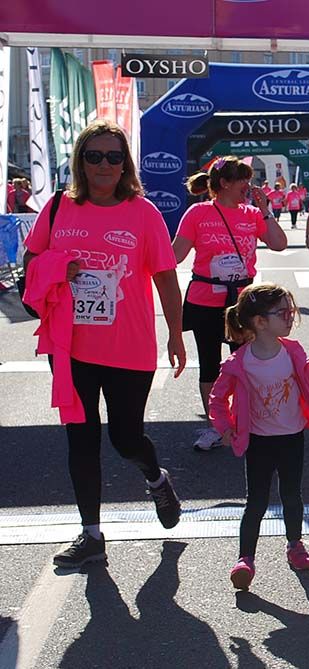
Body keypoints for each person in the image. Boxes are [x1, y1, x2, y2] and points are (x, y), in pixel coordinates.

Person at [22, 119, 185, 568]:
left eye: (114, 156)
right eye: (94, 156)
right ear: (80, 162)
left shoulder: (143, 213)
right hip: (70, 345)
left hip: (128, 347)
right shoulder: (58, 208)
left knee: (126, 438)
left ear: (125, 163)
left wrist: (175, 331)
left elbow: (166, 277)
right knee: (80, 438)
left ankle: (155, 477)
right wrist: (58, 265)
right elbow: (31, 259)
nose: (104, 165)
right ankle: (91, 535)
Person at [209, 284, 309, 590]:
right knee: (255, 502)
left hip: (292, 437)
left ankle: (295, 545)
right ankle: (245, 559)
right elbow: (217, 399)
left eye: (291, 310)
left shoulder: (292, 352)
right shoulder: (239, 363)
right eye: (283, 312)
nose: (290, 317)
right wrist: (224, 427)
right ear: (259, 322)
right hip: (258, 441)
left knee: (292, 495)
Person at [174, 157, 287, 451]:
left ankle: (245, 420)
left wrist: (265, 211)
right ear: (224, 184)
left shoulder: (252, 214)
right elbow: (174, 256)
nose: (247, 187)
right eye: (243, 181)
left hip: (243, 304)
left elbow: (279, 243)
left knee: (247, 364)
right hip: (205, 300)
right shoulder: (197, 213)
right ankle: (216, 427)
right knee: (210, 366)